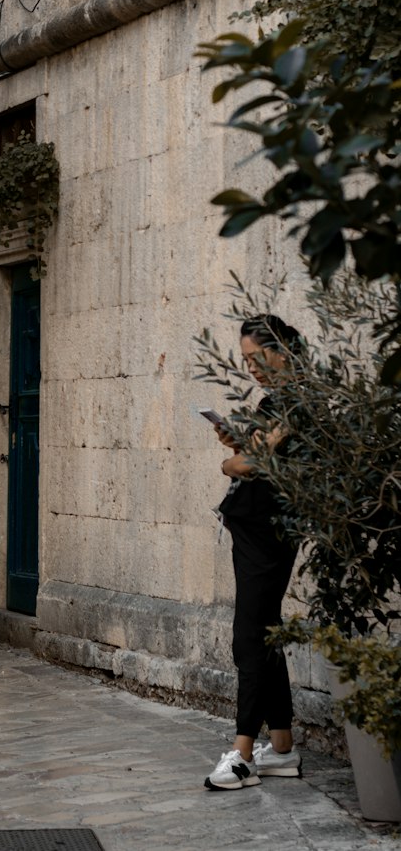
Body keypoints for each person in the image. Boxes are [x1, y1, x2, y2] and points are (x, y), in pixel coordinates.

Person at [204, 314, 304, 790]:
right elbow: (259, 452)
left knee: (249, 637)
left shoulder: (299, 400)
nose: (252, 370)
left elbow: (256, 460)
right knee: (265, 632)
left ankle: (242, 753)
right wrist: (236, 443)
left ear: (282, 350)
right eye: (246, 361)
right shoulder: (278, 400)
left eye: (257, 359)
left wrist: (232, 459)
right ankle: (281, 747)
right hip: (253, 532)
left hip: (269, 536)